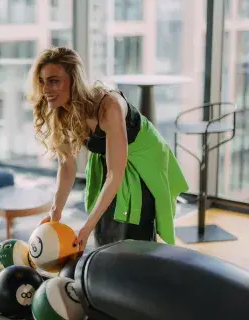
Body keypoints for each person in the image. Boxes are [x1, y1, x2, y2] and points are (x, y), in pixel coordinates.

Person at [28, 47, 188, 252]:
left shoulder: (108, 107)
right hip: (112, 159)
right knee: (107, 230)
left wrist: (86, 227)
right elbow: (67, 164)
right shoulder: (61, 110)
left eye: (54, 81)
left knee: (135, 231)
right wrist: (55, 211)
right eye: (42, 81)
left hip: (144, 159)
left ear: (73, 81)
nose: (46, 89)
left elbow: (115, 174)